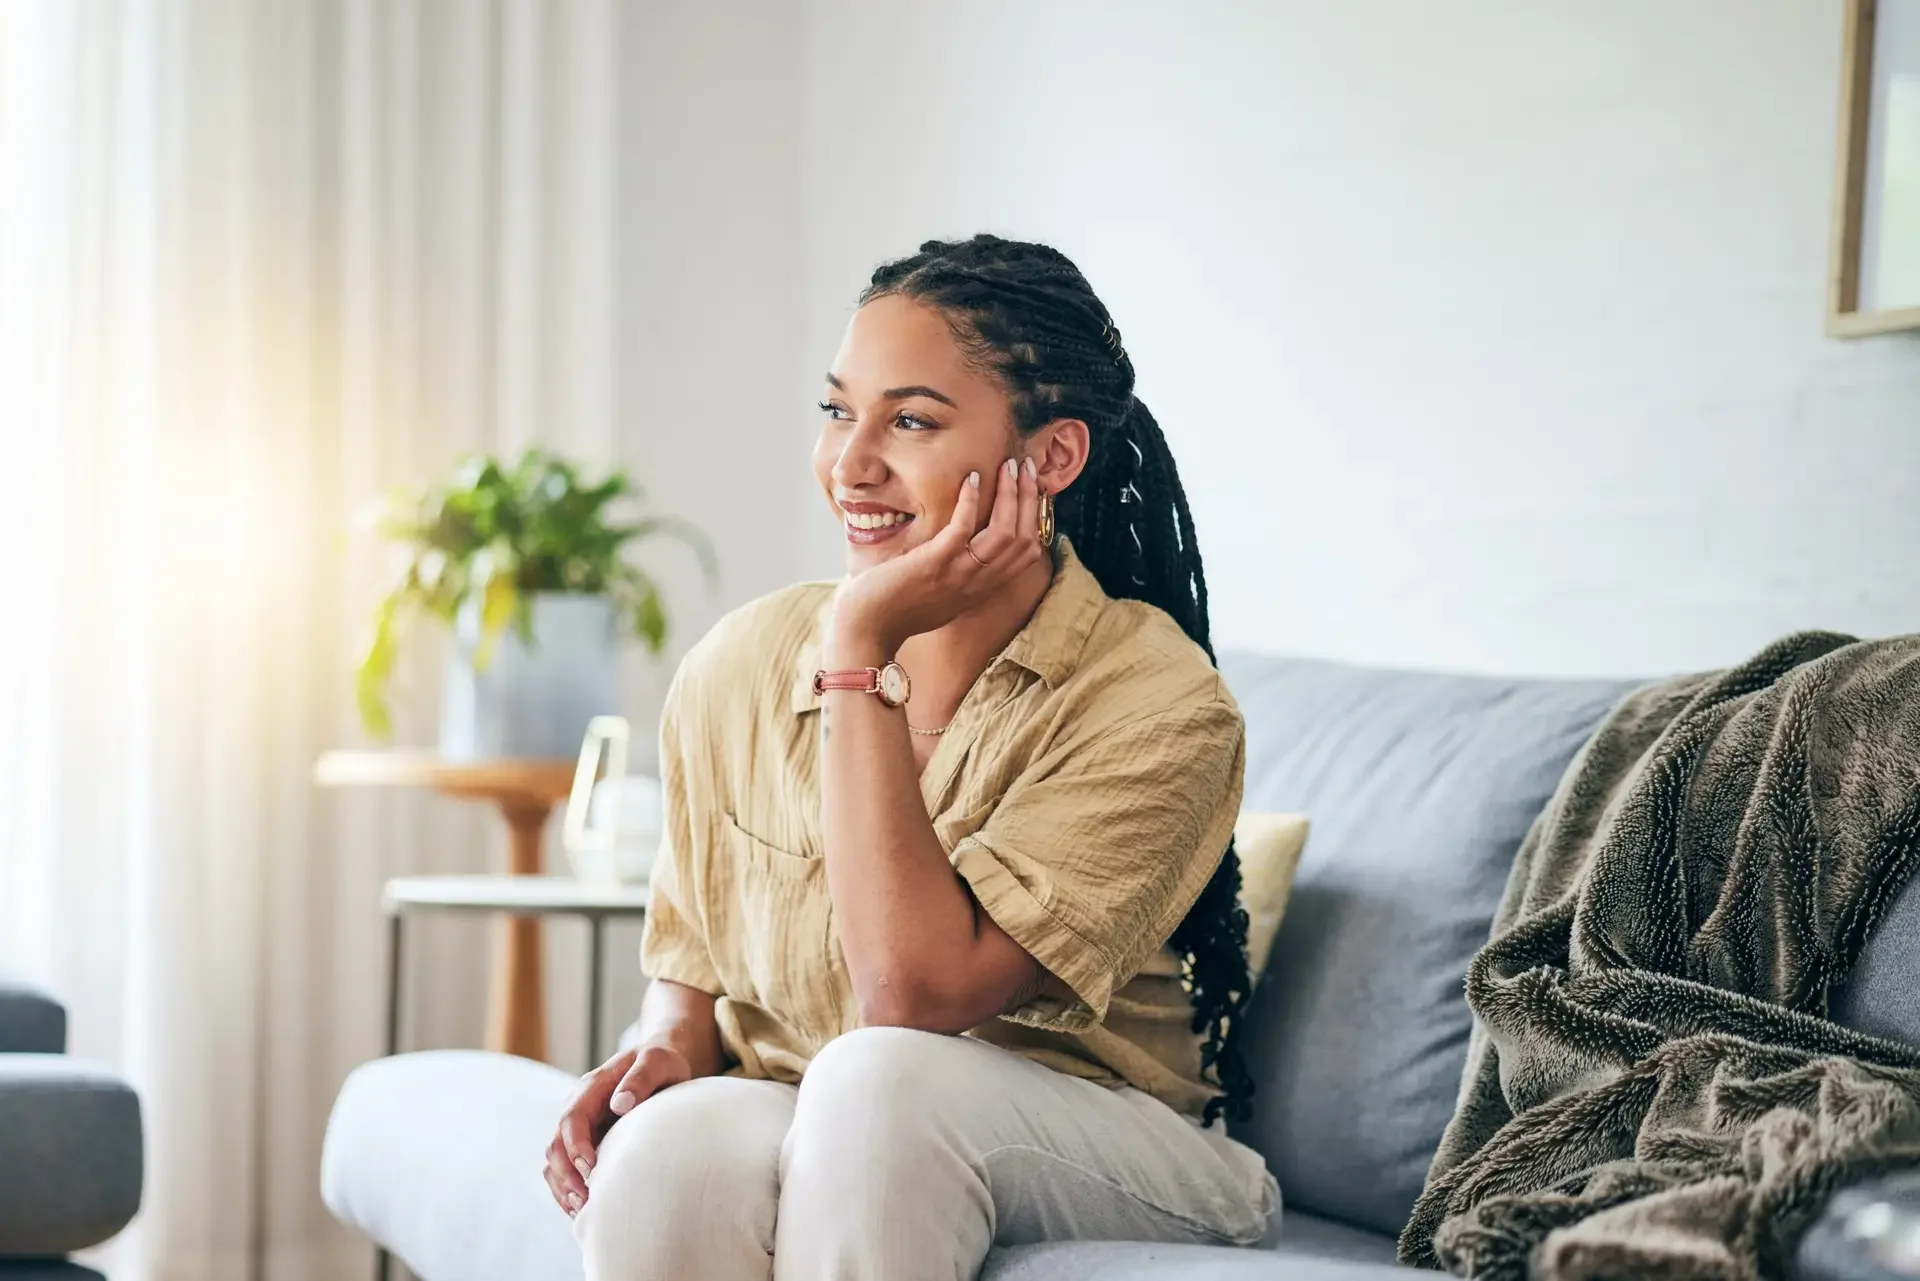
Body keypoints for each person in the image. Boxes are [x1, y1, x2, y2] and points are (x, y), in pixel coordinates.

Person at [543, 234, 1278, 1280]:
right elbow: (690, 960)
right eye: (840, 410)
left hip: (1118, 1144)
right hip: (823, 1105)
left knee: (879, 1080)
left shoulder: (1157, 700)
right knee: (668, 1157)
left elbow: (911, 998)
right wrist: (667, 1041)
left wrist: (856, 654)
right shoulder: (740, 664)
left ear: (1054, 459)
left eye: (913, 422)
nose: (852, 464)